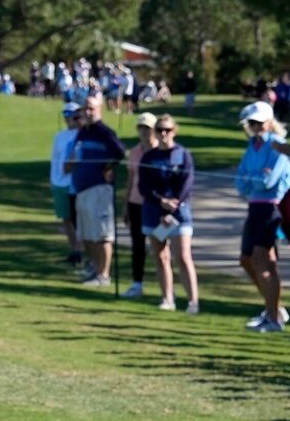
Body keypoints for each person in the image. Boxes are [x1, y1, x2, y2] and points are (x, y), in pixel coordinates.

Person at [235, 101, 290, 331]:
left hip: (273, 209)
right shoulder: (252, 146)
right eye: (251, 123)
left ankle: (273, 318)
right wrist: (255, 178)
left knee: (264, 261)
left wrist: (252, 179)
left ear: (270, 122)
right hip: (255, 207)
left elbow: (268, 181)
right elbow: (240, 184)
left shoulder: (278, 145)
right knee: (246, 259)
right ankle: (274, 309)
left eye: (259, 122)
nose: (255, 126)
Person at [139, 113, 200, 312]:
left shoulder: (183, 154)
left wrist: (173, 205)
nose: (163, 133)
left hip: (179, 214)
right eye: (159, 130)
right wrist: (160, 202)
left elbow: (187, 184)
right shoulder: (149, 157)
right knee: (161, 256)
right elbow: (144, 186)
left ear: (174, 131)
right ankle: (167, 298)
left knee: (182, 256)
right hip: (154, 212)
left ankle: (193, 301)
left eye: (168, 130)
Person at [67, 93, 127, 287]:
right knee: (86, 233)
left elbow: (119, 153)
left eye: (92, 108)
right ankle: (95, 268)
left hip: (99, 188)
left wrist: (108, 168)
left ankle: (104, 275)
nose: (88, 111)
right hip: (81, 188)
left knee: (102, 235)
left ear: (100, 109)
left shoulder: (104, 132)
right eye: (86, 108)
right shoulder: (83, 132)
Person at [121, 113, 159, 299]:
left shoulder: (161, 151)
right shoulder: (135, 152)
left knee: (160, 246)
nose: (144, 132)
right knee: (138, 245)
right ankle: (137, 284)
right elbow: (130, 180)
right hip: (136, 203)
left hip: (155, 205)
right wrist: (126, 205)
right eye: (141, 128)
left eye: (148, 128)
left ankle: (165, 288)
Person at [49, 102, 83, 266]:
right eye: (67, 115)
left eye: (73, 115)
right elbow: (55, 160)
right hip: (59, 183)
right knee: (66, 219)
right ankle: (75, 250)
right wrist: (53, 180)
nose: (70, 119)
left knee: (78, 219)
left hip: (74, 183)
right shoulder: (59, 136)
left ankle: (82, 251)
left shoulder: (82, 134)